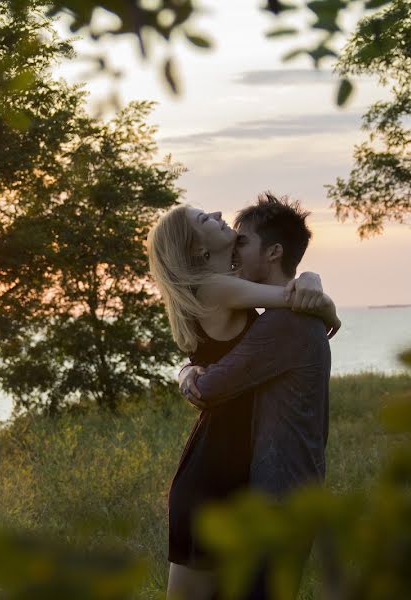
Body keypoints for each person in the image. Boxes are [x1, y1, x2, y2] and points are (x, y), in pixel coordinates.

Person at [146, 197, 340, 600]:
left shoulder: (229, 290)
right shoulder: (215, 288)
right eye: (204, 218)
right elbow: (292, 299)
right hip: (213, 469)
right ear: (197, 249)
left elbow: (282, 302)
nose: (217, 215)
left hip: (236, 466)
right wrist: (322, 298)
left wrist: (314, 281)